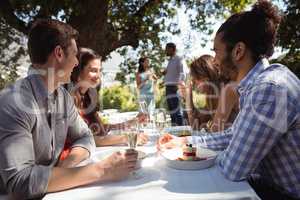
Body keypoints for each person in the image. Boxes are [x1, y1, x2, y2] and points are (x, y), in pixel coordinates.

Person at [159, 1, 300, 199]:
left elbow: (234, 168)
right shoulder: (260, 84)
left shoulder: (269, 89)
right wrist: (185, 141)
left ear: (238, 51)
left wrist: (192, 151)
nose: (214, 60)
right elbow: (232, 135)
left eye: (216, 51)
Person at [0, 19, 138, 199]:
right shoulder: (13, 102)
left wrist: (66, 166)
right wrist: (103, 169)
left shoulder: (63, 97)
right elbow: (21, 182)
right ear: (58, 53)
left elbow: (86, 136)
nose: (75, 62)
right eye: (74, 54)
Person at [65, 48, 148, 148]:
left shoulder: (87, 97)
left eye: (100, 71)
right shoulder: (68, 99)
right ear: (78, 72)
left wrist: (131, 122)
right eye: (93, 70)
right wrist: (127, 137)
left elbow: (100, 128)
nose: (98, 75)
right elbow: (85, 139)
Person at [179, 54, 239, 132]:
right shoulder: (211, 98)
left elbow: (215, 133)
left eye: (194, 79)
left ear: (205, 79)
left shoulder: (226, 92)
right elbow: (196, 127)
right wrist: (188, 98)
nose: (193, 83)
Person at [164, 42, 188, 126]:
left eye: (167, 48)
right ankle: (174, 132)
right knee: (171, 112)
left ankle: (181, 133)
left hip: (175, 88)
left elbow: (183, 73)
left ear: (172, 49)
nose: (165, 50)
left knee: (177, 112)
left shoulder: (179, 59)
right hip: (168, 88)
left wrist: (179, 85)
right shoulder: (170, 61)